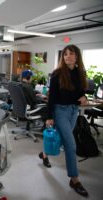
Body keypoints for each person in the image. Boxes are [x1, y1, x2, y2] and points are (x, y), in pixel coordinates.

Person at [39, 44, 89, 197]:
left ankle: (44, 154)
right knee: (71, 145)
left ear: (77, 56)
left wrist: (84, 97)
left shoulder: (81, 73)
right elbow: (52, 97)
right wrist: (49, 117)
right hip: (60, 111)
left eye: (71, 53)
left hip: (74, 111)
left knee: (61, 140)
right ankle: (74, 180)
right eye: (65, 54)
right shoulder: (57, 74)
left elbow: (81, 93)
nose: (68, 56)